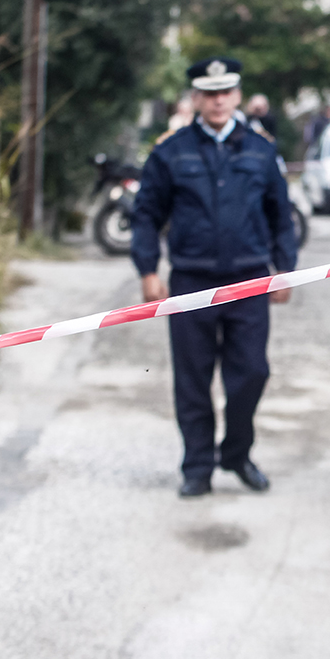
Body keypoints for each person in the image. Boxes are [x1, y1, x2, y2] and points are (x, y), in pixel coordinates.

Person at [131, 57, 299, 497]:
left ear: (238, 95)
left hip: (249, 283)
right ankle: (198, 467)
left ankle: (237, 453)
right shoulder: (171, 151)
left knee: (252, 373)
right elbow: (146, 215)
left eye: (226, 91)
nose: (218, 100)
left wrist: (285, 269)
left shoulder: (262, 151)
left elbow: (281, 215)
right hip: (191, 282)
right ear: (196, 98)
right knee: (192, 378)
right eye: (209, 92)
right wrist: (148, 269)